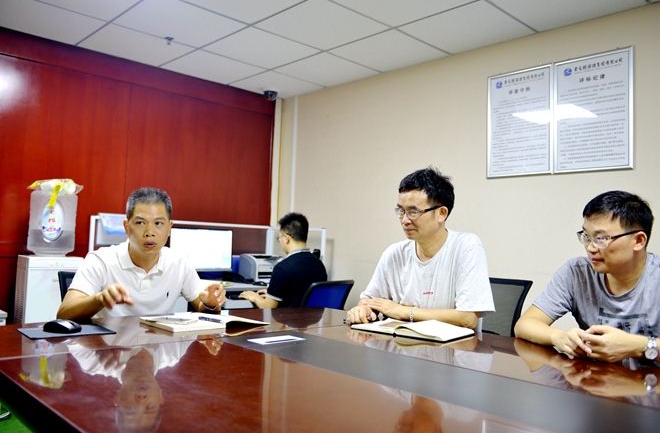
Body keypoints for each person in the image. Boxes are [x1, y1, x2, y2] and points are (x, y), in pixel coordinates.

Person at [514, 190, 660, 364]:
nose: (590, 248)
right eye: (586, 237)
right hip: (595, 379)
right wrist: (559, 337)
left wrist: (639, 346)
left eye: (601, 238)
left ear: (638, 241)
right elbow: (525, 324)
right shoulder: (577, 272)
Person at [346, 166, 494, 328]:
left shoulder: (466, 246)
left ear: (442, 213)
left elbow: (467, 318)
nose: (405, 220)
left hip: (451, 343)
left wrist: (403, 311)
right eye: (401, 211)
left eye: (413, 212)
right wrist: (363, 309)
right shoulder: (394, 253)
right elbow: (368, 301)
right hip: (400, 341)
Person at [57, 187, 225, 321]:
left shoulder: (179, 263)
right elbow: (64, 314)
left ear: (169, 228)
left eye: (158, 223)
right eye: (140, 223)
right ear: (126, 227)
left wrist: (211, 304)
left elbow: (204, 310)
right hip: (112, 350)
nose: (149, 232)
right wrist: (99, 299)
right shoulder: (100, 260)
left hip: (161, 349)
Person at [239, 212, 327, 308]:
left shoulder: (282, 268)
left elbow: (268, 307)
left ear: (286, 238)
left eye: (279, 238)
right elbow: (300, 294)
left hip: (288, 318)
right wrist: (273, 294)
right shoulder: (319, 265)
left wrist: (255, 297)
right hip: (313, 317)